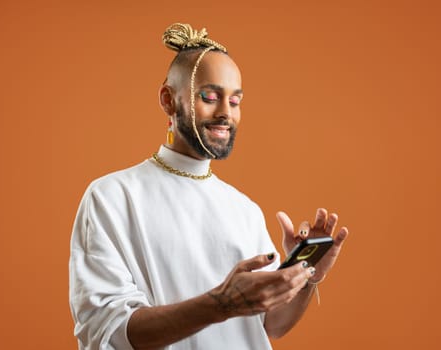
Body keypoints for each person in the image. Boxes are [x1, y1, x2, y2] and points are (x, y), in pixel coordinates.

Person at [69, 23, 349, 350]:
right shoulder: (112, 197)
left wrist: (305, 274)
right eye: (210, 97)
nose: (225, 113)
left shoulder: (244, 209)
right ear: (168, 100)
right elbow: (108, 331)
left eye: (235, 101)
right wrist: (221, 304)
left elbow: (272, 324)